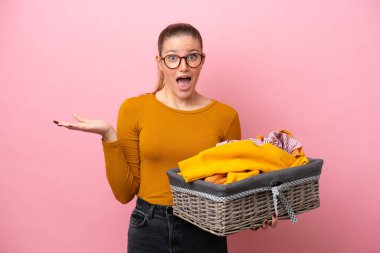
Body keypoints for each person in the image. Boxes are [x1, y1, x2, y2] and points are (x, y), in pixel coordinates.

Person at [54, 23, 277, 253]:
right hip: (148, 227)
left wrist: (254, 214)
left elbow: (229, 186)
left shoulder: (226, 116)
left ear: (202, 61)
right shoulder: (134, 109)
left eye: (192, 57)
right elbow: (124, 193)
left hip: (204, 229)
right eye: (173, 58)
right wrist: (109, 136)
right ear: (160, 63)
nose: (183, 67)